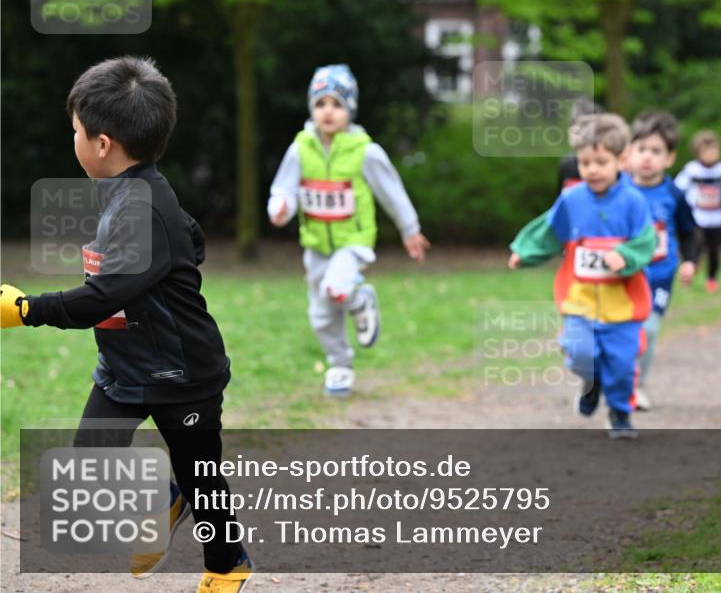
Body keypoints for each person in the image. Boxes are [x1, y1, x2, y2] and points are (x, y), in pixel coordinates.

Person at [0, 56, 254, 591]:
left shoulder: (141, 205)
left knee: (202, 477)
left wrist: (26, 310)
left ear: (102, 143)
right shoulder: (127, 191)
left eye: (74, 130)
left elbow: (102, 297)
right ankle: (165, 498)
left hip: (184, 377)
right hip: (125, 366)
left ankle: (226, 567)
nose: (72, 139)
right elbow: (191, 236)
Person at [267, 64, 430, 395]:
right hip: (315, 245)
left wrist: (410, 229)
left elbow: (392, 191)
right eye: (321, 103)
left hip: (352, 241)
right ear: (312, 108)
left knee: (336, 287)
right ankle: (340, 365)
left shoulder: (365, 151)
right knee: (320, 314)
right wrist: (280, 209)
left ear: (350, 110)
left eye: (337, 104)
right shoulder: (300, 149)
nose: (328, 111)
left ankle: (359, 298)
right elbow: (283, 190)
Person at [508, 113, 655, 438]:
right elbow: (549, 230)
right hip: (579, 300)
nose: (592, 170)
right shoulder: (572, 199)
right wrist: (524, 251)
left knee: (621, 366)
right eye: (585, 162)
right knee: (580, 353)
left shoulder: (633, 202)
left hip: (623, 306)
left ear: (622, 159)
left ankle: (619, 413)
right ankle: (591, 382)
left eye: (601, 162)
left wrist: (626, 255)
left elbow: (648, 242)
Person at [624, 111, 697, 411]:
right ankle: (613, 380)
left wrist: (690, 261)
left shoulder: (674, 194)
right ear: (628, 153)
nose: (647, 158)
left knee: (649, 330)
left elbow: (690, 232)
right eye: (641, 149)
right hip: (622, 276)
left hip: (659, 274)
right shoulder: (617, 190)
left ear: (669, 158)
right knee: (619, 332)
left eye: (656, 151)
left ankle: (638, 387)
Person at [675, 129, 721, 293]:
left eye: (714, 150)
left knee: (714, 251)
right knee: (696, 248)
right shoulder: (692, 170)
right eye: (706, 151)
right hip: (697, 218)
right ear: (697, 152)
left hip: (717, 218)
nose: (711, 154)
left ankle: (712, 278)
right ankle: (690, 273)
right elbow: (678, 188)